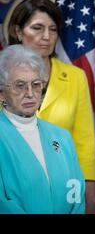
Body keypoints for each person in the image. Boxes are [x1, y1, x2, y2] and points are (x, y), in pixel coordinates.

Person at [7, 0, 95, 213]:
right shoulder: (3, 74)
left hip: (63, 186)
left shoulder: (75, 77)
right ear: (19, 32)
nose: (46, 37)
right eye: (37, 28)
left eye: (53, 29)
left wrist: (89, 187)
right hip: (12, 183)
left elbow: (83, 138)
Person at [0, 45, 85, 213]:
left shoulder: (61, 136)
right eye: (20, 85)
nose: (30, 93)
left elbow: (77, 193)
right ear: (2, 93)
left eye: (36, 84)